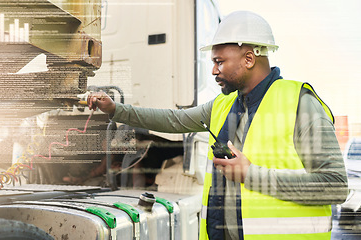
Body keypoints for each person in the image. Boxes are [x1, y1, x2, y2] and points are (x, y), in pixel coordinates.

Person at [87, 10, 348, 240]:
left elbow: (335, 186)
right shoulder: (223, 105)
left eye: (219, 61)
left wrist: (251, 175)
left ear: (248, 59)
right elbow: (173, 120)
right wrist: (115, 109)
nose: (213, 71)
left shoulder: (300, 104)